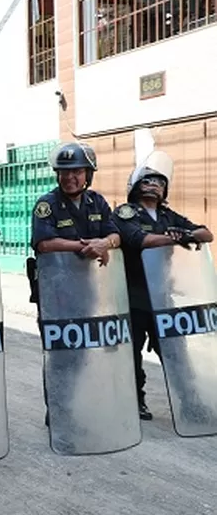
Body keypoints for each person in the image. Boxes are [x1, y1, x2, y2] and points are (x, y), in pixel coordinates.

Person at [113, 150, 213, 420]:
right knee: (131, 357)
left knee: (177, 354)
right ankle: (136, 401)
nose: (154, 186)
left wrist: (186, 234)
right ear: (135, 187)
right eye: (148, 181)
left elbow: (206, 233)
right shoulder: (126, 213)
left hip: (163, 298)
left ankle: (191, 402)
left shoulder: (168, 216)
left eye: (159, 182)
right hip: (133, 297)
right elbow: (138, 240)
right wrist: (174, 239)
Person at [27, 141, 121, 427]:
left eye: (76, 171)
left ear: (88, 174)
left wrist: (105, 242)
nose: (70, 177)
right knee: (60, 354)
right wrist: (85, 246)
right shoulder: (48, 205)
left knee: (83, 353)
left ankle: (79, 403)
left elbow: (116, 235)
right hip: (56, 293)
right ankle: (59, 410)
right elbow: (44, 243)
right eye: (64, 172)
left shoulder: (98, 202)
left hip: (90, 291)